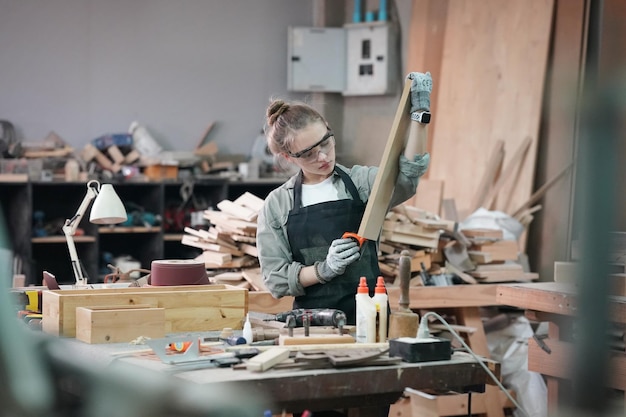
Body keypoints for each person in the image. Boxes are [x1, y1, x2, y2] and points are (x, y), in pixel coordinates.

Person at [257, 81, 431, 327]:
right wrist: (324, 269)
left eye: (325, 142)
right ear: (288, 157)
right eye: (308, 154)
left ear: (329, 130)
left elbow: (407, 175)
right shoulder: (278, 205)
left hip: (373, 319)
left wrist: (419, 117)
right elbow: (275, 279)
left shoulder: (361, 182)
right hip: (313, 325)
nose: (324, 157)